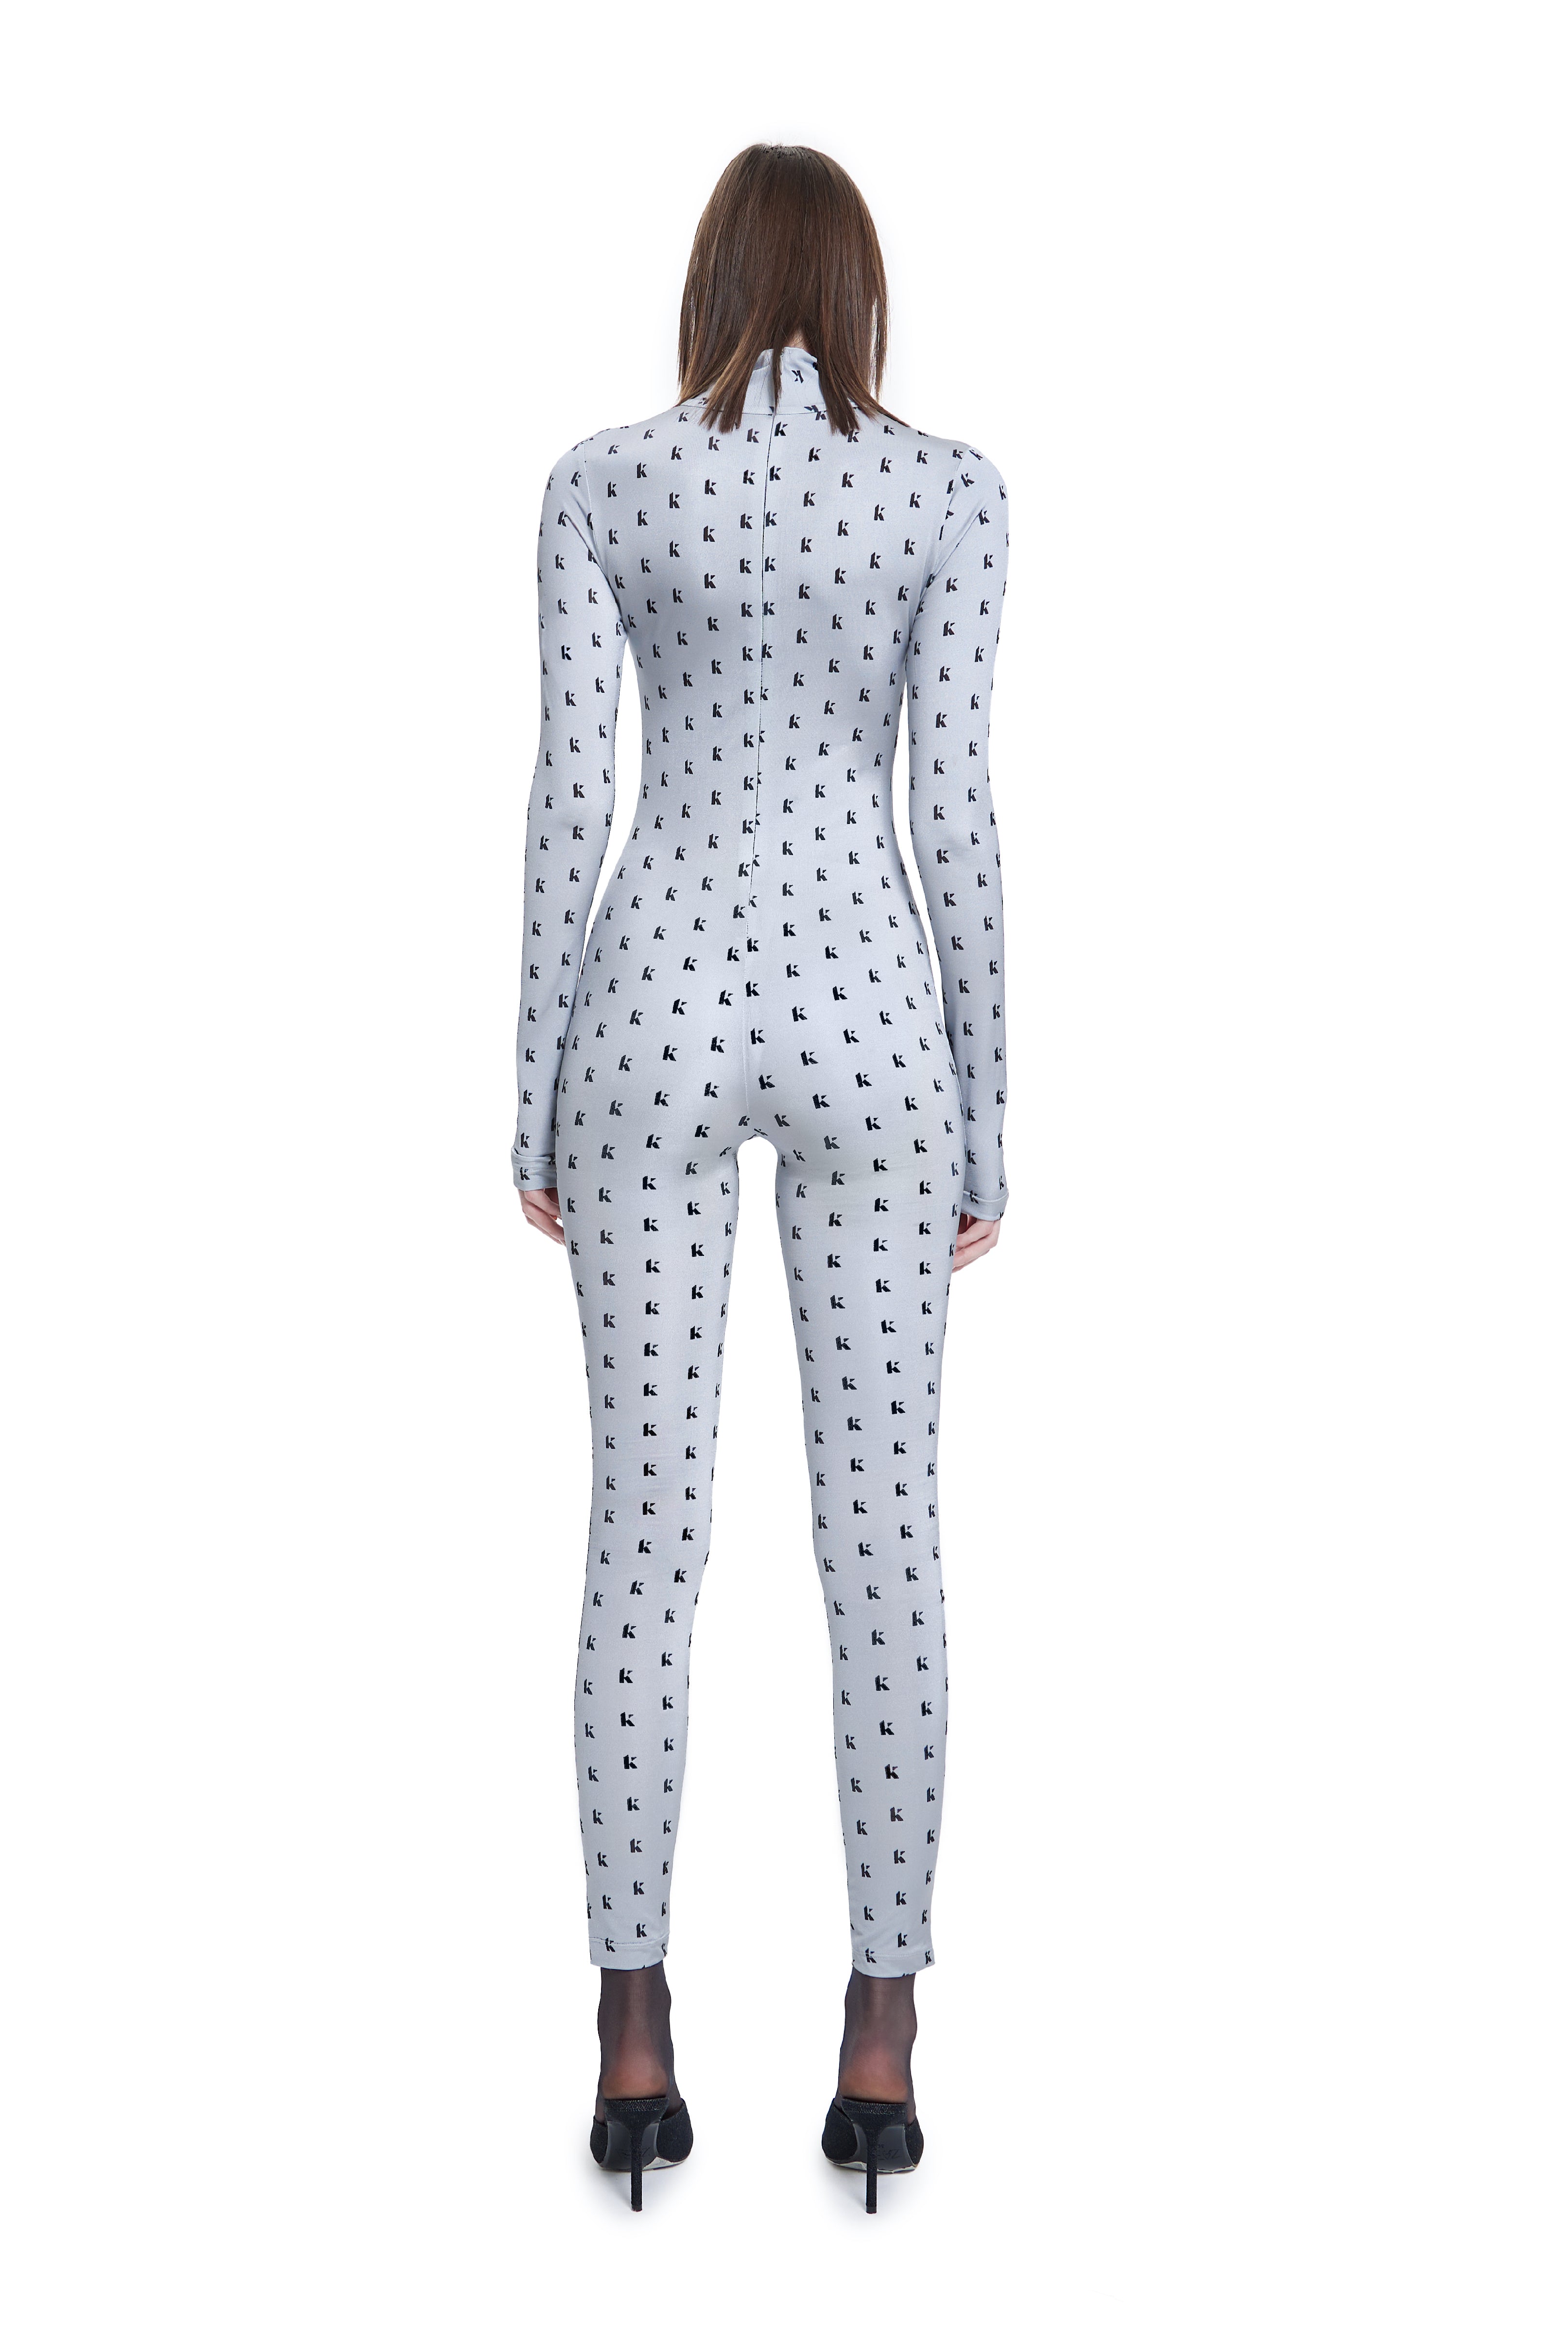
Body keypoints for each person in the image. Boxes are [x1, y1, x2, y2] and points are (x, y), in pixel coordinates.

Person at [513, 143, 1009, 2211]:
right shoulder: (949, 493)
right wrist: (992, 1102)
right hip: (875, 1015)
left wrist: (528, 1086)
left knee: (646, 1533)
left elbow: (573, 787)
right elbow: (954, 805)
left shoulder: (605, 482)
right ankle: (880, 2034)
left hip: (652, 996)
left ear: (713, 279)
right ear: (859, 289)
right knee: (882, 1532)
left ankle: (633, 2031)